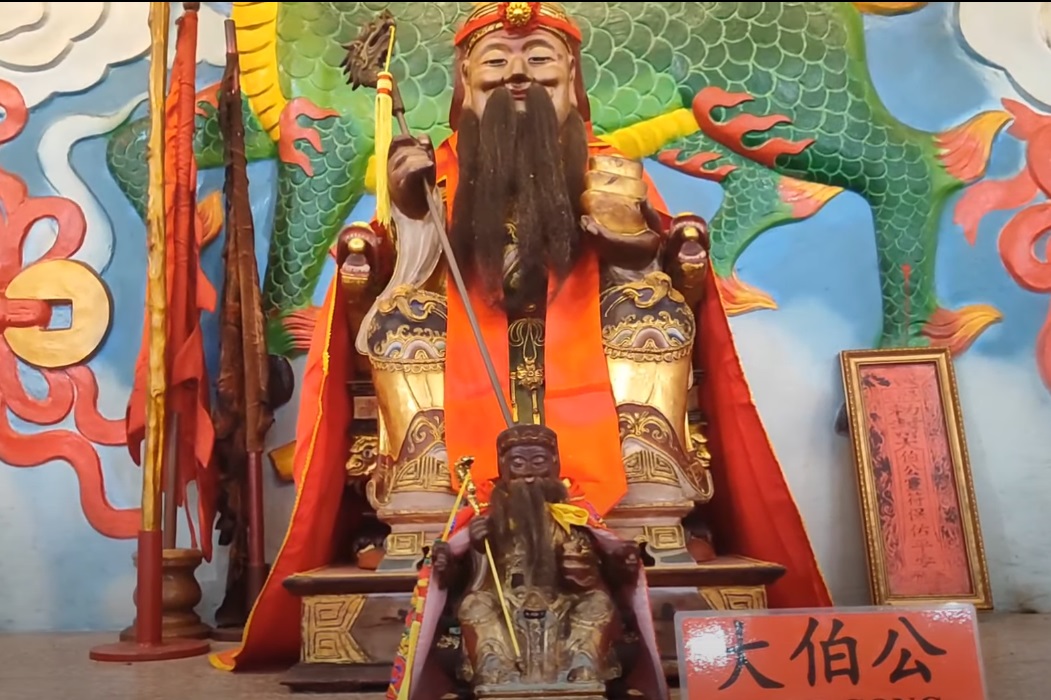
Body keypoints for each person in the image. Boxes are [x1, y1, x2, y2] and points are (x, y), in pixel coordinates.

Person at [212, 1, 831, 673]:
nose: (517, 75)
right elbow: (407, 265)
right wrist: (412, 206)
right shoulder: (436, 167)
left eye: (538, 59)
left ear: (571, 77)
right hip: (463, 328)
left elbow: (646, 251)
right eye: (496, 61)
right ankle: (428, 497)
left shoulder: (607, 164)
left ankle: (642, 497)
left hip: (589, 327)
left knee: (651, 317)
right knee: (404, 325)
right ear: (464, 80)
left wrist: (621, 235)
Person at [387, 424, 668, 700]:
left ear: (556, 464)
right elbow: (454, 583)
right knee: (474, 606)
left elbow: (607, 571)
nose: (530, 473)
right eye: (519, 463)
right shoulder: (487, 519)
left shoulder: (575, 517)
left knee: (598, 604)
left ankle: (581, 667)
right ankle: (494, 670)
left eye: (539, 462)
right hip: (504, 600)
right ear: (503, 468)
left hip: (566, 600)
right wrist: (453, 560)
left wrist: (620, 563)